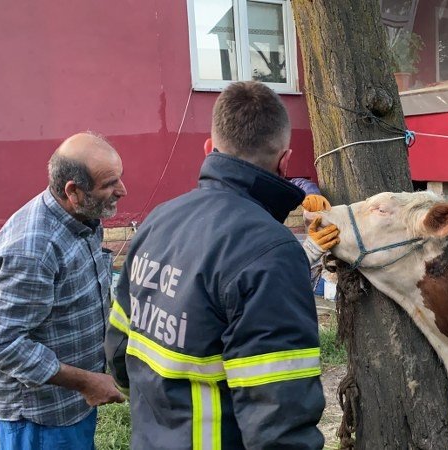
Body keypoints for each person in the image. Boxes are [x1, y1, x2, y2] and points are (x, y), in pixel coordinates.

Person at [105, 81, 326, 449]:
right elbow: (280, 417)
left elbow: (118, 349)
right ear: (284, 161)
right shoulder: (271, 250)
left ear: (209, 149)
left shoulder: (158, 221)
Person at [0, 132, 128, 449]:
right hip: (40, 417)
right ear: (73, 190)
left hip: (73, 403)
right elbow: (4, 345)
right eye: (109, 184)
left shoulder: (82, 215)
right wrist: (87, 382)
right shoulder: (35, 249)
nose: (122, 191)